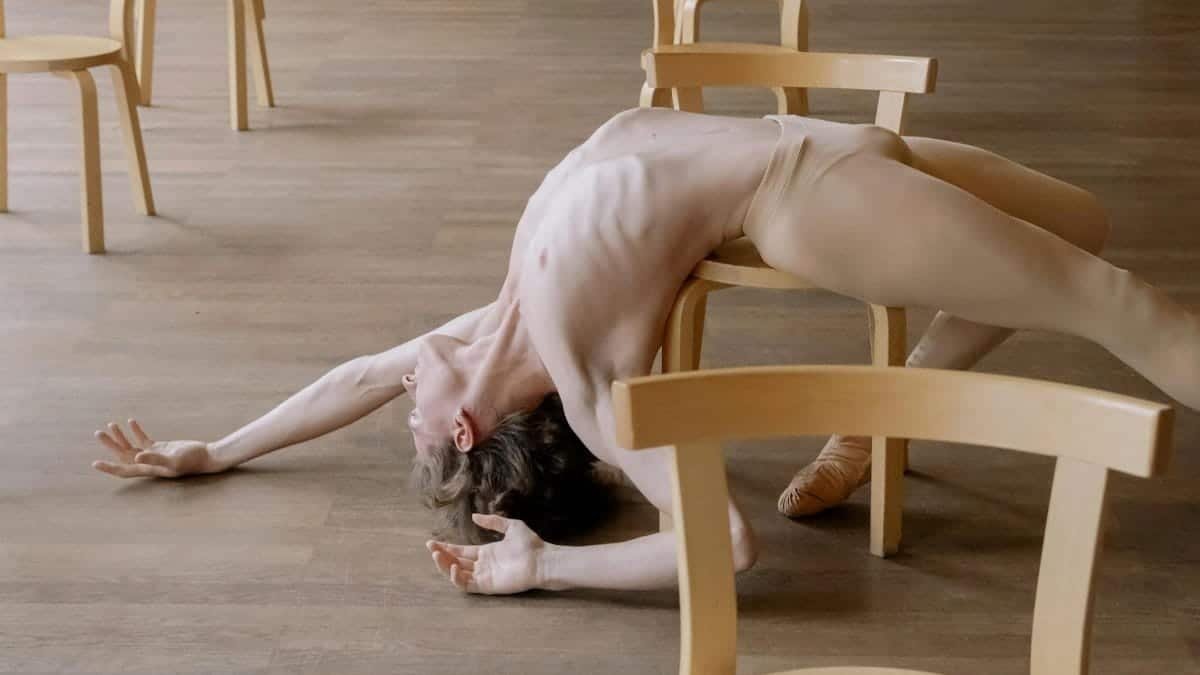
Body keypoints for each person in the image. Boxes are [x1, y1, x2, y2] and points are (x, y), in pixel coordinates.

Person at [91, 107, 1200, 595]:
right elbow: (725, 547)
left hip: (822, 141)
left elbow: (350, 377)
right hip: (805, 195)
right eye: (412, 422)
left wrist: (215, 451)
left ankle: (877, 418)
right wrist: (540, 568)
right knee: (1119, 301)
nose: (398, 388)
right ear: (469, 429)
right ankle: (880, 419)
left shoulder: (485, 328)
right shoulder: (591, 390)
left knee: (1081, 227)